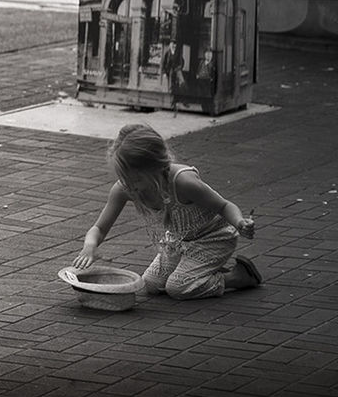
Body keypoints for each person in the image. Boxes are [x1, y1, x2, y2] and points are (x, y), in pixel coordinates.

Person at [73, 123, 261, 300]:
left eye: (135, 178)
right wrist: (89, 247)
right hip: (178, 242)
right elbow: (99, 228)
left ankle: (238, 276)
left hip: (212, 239)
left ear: (155, 168)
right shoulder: (125, 188)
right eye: (123, 177)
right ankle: (199, 271)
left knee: (177, 287)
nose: (128, 185)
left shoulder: (183, 182)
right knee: (150, 284)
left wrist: (239, 222)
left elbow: (224, 206)